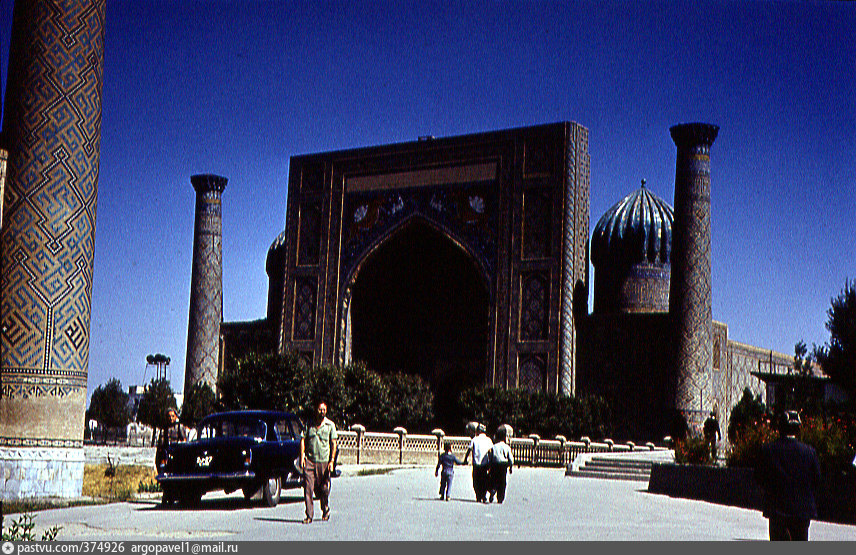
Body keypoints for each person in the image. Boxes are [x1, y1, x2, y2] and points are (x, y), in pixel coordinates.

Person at [755, 410, 822, 541]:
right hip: (802, 511)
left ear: (780, 428)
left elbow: (759, 478)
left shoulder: (768, 450)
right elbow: (817, 479)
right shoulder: (809, 452)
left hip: (777, 510)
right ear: (798, 429)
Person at [300, 401, 337, 524]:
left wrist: (332, 461)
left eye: (324, 409)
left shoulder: (330, 425)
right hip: (310, 461)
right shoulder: (309, 424)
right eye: (319, 409)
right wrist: (302, 456)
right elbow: (302, 440)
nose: (321, 412)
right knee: (308, 488)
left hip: (324, 462)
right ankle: (309, 515)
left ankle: (325, 508)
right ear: (316, 410)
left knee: (324, 489)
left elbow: (333, 443)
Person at [463, 423, 493, 503]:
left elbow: (469, 450)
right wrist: (491, 462)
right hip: (485, 464)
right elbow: (490, 452)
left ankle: (478, 496)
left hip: (476, 464)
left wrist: (465, 459)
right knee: (484, 480)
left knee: (476, 481)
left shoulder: (474, 439)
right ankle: (484, 495)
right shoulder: (488, 440)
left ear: (478, 431)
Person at [489, 427, 514, 504]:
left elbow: (490, 456)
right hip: (503, 465)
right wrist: (510, 467)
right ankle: (500, 498)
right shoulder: (506, 447)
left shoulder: (494, 446)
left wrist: (490, 466)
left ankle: (493, 490)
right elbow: (511, 459)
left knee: (494, 480)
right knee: (502, 482)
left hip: (495, 464)